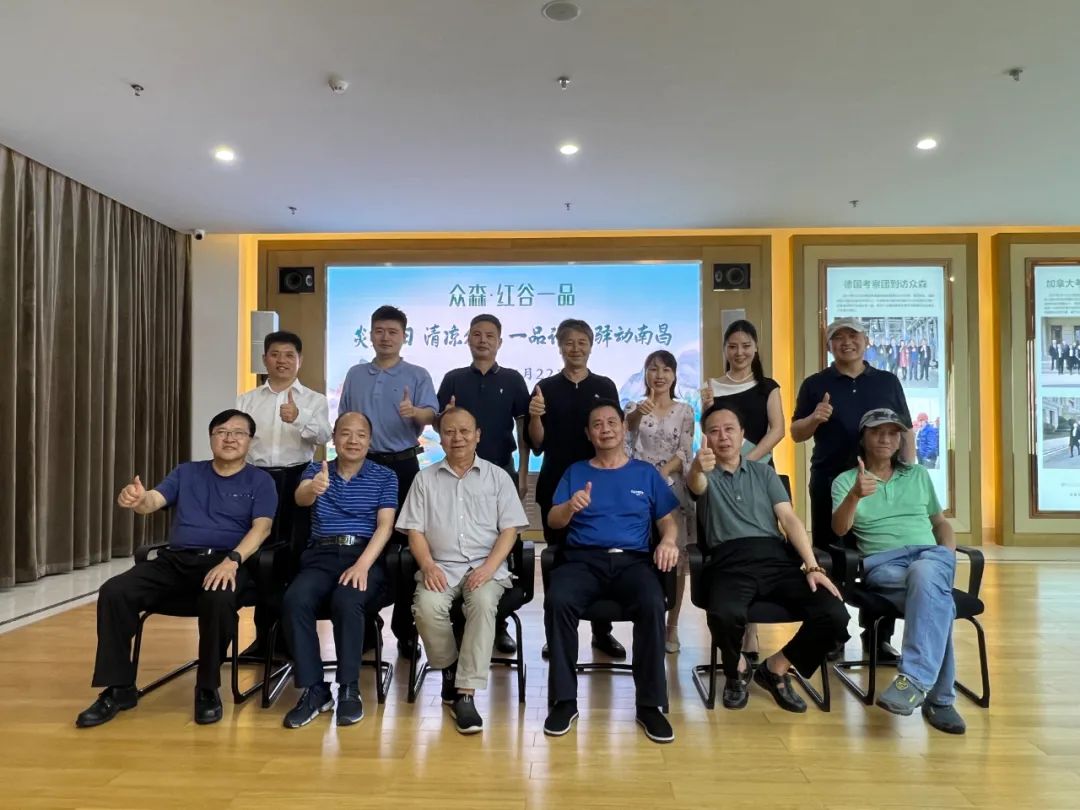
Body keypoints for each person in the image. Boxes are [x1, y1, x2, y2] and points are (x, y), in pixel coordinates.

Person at [75, 410, 277, 728]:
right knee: (115, 591)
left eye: (239, 433)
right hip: (176, 561)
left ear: (250, 441)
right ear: (211, 437)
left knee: (218, 596)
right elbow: (153, 501)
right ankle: (118, 688)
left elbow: (262, 528)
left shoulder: (261, 481)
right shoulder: (187, 472)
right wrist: (139, 499)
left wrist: (232, 561)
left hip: (225, 562)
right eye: (222, 431)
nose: (230, 438)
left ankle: (207, 688)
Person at [687, 406, 848, 712]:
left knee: (834, 613)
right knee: (723, 613)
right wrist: (696, 467)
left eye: (729, 429)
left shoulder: (764, 473)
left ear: (742, 435)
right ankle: (736, 670)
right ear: (705, 437)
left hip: (776, 559)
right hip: (728, 563)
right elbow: (696, 484)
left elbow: (789, 520)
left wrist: (812, 566)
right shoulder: (704, 473)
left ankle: (776, 667)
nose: (723, 437)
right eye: (714, 431)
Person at [542, 400, 681, 743]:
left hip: (633, 561)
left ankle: (649, 705)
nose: (605, 429)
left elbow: (667, 521)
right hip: (582, 560)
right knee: (558, 600)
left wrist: (669, 541)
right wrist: (569, 507)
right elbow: (553, 520)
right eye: (597, 425)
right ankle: (564, 701)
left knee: (652, 602)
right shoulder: (576, 472)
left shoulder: (645, 473)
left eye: (611, 422)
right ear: (589, 434)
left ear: (623, 427)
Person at [831, 408, 965, 734]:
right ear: (863, 437)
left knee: (925, 575)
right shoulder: (846, 480)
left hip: (930, 558)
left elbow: (940, 523)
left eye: (893, 433)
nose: (886, 439)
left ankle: (915, 680)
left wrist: (947, 555)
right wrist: (855, 495)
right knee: (937, 604)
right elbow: (839, 529)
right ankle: (940, 700)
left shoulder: (917, 474)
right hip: (885, 565)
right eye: (878, 432)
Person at [398, 406, 530, 735]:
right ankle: (450, 668)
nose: (457, 438)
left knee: (483, 604)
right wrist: (427, 565)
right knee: (426, 607)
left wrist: (489, 567)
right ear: (440, 438)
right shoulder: (424, 479)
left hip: (486, 566)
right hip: (440, 566)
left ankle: (465, 693)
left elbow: (510, 530)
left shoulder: (498, 477)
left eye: (465, 431)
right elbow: (414, 531)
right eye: (449, 432)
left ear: (478, 436)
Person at [791, 317, 913, 659]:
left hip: (880, 480)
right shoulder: (816, 384)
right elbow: (796, 433)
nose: (846, 342)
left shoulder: (887, 381)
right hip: (830, 480)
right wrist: (815, 418)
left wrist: (908, 471)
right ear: (829, 345)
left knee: (881, 553)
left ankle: (878, 636)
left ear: (866, 341)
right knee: (830, 556)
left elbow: (904, 429)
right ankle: (831, 633)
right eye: (838, 337)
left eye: (853, 335)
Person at [280, 412, 397, 729]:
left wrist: (362, 564)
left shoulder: (385, 476)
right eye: (346, 433)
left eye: (361, 434)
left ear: (370, 440)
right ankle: (315, 690)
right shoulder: (316, 470)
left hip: (364, 554)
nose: (353, 440)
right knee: (295, 600)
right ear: (334, 438)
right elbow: (300, 498)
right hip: (321, 555)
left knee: (347, 600)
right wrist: (313, 488)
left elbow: (385, 527)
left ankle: (349, 688)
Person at [339, 304, 438, 655]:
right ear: (370, 334)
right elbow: (345, 419)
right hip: (362, 467)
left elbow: (432, 414)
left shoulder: (417, 373)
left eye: (392, 332)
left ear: (403, 336)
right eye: (379, 331)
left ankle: (406, 629)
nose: (385, 337)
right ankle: (368, 623)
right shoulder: (355, 373)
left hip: (404, 467)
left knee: (408, 546)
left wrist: (415, 412)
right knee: (364, 541)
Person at [527, 318, 624, 660]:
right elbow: (536, 444)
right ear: (559, 346)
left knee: (600, 553)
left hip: (600, 483)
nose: (576, 348)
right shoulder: (545, 387)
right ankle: (556, 634)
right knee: (557, 559)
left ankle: (602, 631)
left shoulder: (604, 385)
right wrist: (535, 417)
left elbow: (615, 432)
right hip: (556, 483)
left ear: (591, 346)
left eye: (582, 342)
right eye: (569, 342)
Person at [436, 313, 531, 655]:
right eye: (476, 334)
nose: (483, 340)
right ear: (468, 339)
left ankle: (498, 623)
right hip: (459, 472)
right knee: (460, 536)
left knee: (502, 541)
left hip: (501, 470)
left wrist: (522, 474)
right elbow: (441, 425)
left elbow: (523, 431)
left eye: (490, 335)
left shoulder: (513, 379)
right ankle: (458, 622)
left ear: (500, 341)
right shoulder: (453, 379)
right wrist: (442, 416)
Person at [236, 330, 331, 654]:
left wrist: (298, 417)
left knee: (294, 554)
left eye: (289, 355)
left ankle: (293, 637)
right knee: (260, 556)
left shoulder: (314, 400)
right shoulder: (247, 400)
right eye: (275, 354)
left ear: (300, 360)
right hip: (257, 479)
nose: (282, 361)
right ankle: (264, 638)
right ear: (265, 359)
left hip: (298, 480)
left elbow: (324, 436)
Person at [703, 320, 787, 664]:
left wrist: (746, 462)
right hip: (723, 474)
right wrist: (729, 462)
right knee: (735, 544)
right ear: (725, 349)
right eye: (733, 346)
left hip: (759, 470)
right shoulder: (712, 386)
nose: (739, 352)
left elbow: (777, 430)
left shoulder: (768, 386)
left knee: (761, 541)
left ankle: (752, 628)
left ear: (756, 348)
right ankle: (741, 629)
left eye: (746, 345)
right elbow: (709, 429)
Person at [625, 349, 695, 653]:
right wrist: (638, 415)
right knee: (641, 557)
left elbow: (685, 452)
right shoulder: (634, 407)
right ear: (645, 374)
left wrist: (661, 475)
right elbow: (626, 443)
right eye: (653, 369)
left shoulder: (685, 410)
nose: (660, 375)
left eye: (666, 369)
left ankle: (672, 627)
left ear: (674, 375)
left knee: (675, 560)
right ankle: (645, 623)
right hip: (638, 492)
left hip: (673, 491)